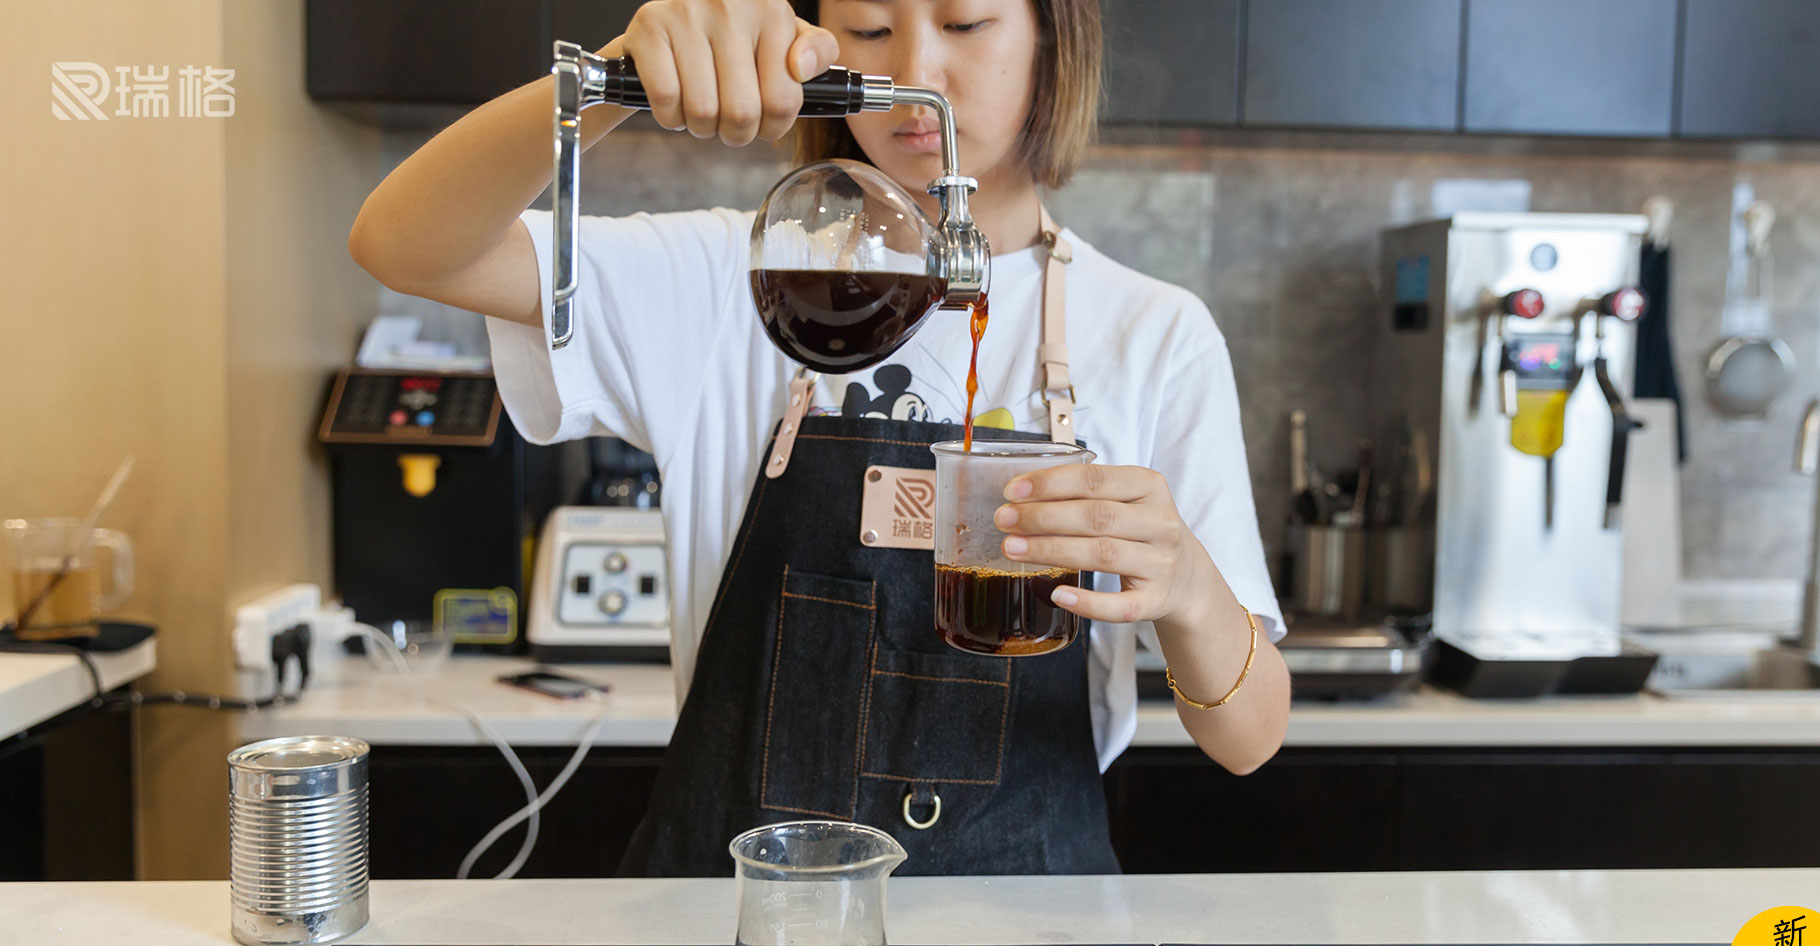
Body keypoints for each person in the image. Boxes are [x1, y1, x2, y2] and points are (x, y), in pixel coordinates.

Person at [348, 0, 1292, 877]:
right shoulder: (737, 275)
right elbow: (404, 244)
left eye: (965, 22)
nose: (919, 67)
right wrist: (615, 79)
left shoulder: (1154, 335)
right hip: (742, 929)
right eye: (872, 31)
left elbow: (1250, 740)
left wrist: (1189, 585)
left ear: (1054, 38)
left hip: (1023, 936)